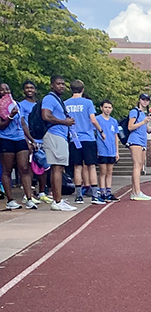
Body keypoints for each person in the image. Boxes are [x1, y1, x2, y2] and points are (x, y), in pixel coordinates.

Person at [40, 76, 78, 211]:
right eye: (58, 84)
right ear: (52, 85)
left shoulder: (58, 100)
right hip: (54, 135)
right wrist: (65, 122)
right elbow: (46, 115)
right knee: (57, 167)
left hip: (60, 135)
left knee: (59, 167)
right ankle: (57, 201)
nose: (61, 86)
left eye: (63, 84)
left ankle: (58, 199)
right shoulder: (49, 99)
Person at [65, 80, 102, 204]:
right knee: (91, 166)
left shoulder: (66, 103)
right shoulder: (88, 103)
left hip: (74, 138)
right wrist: (101, 130)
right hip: (87, 137)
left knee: (77, 167)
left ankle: (78, 195)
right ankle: (95, 195)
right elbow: (93, 120)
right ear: (83, 89)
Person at [0, 83, 36, 209]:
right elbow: (1, 125)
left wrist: (30, 140)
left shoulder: (16, 104)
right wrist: (10, 116)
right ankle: (10, 200)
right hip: (6, 139)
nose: (5, 91)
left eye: (7, 89)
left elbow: (22, 123)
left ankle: (29, 198)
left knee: (24, 168)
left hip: (20, 138)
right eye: (2, 89)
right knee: (7, 170)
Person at [19, 81, 52, 204]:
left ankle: (42, 192)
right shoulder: (21, 105)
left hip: (41, 138)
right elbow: (22, 123)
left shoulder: (40, 104)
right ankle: (28, 193)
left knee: (43, 166)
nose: (29, 90)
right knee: (29, 167)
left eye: (31, 87)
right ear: (23, 90)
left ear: (35, 90)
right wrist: (27, 139)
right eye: (26, 88)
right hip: (29, 138)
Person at [126, 93, 151, 201]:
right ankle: (137, 192)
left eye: (147, 100)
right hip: (135, 140)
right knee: (137, 165)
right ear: (139, 100)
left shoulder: (144, 114)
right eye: (143, 100)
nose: (145, 102)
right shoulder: (135, 112)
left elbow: (146, 130)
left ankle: (134, 191)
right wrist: (143, 122)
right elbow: (130, 127)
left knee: (140, 166)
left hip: (143, 141)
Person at [95, 99, 119, 202]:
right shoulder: (97, 119)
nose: (107, 109)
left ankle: (109, 191)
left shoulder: (114, 121)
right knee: (103, 171)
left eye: (109, 108)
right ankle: (102, 191)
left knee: (110, 171)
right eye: (105, 107)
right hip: (102, 149)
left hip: (112, 150)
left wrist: (117, 151)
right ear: (101, 108)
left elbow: (115, 136)